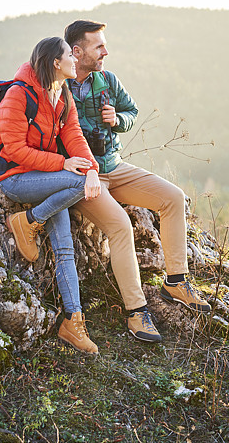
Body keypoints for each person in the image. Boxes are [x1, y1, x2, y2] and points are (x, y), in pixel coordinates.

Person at [64, 20, 211, 343]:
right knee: (120, 226)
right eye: (98, 46)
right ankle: (136, 312)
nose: (106, 51)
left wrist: (117, 120)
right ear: (77, 51)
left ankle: (176, 282)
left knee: (174, 198)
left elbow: (132, 112)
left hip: (114, 167)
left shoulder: (109, 81)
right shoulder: (57, 84)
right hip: (84, 178)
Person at [0, 36, 102, 354]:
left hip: (47, 178)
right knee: (76, 182)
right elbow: (13, 150)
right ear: (56, 63)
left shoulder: (61, 92)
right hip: (16, 179)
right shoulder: (19, 94)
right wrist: (64, 164)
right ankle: (27, 220)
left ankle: (73, 323)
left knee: (64, 247)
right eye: (70, 55)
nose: (75, 59)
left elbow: (73, 133)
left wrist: (91, 167)